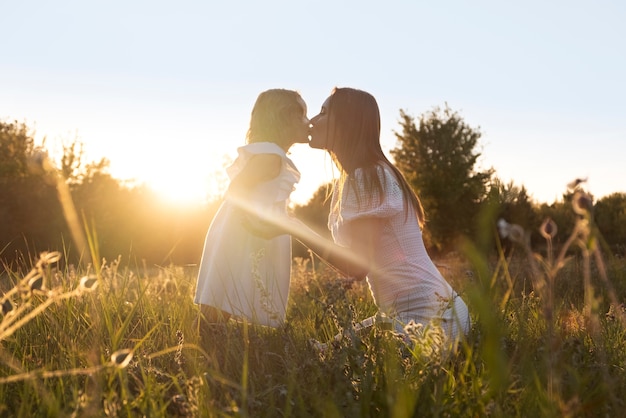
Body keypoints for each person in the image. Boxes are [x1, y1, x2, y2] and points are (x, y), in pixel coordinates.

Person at [258, 87, 470, 348]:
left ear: (347, 124)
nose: (313, 120)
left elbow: (357, 267)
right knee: (327, 351)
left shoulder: (367, 177)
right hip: (411, 314)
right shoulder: (360, 176)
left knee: (339, 368)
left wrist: (294, 226)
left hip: (435, 320)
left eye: (324, 112)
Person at [193, 88, 309, 329]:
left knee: (225, 295)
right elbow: (237, 189)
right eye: (302, 116)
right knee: (223, 295)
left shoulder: (270, 154)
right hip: (244, 234)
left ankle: (216, 350)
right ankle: (202, 353)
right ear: (284, 118)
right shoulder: (271, 156)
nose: (308, 122)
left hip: (246, 231)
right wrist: (255, 222)